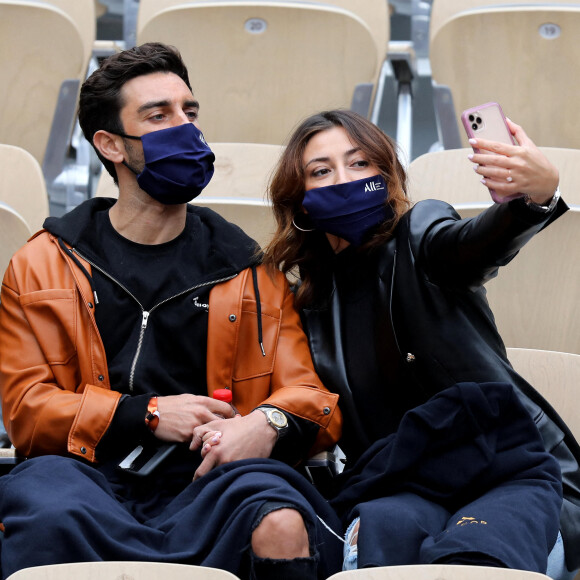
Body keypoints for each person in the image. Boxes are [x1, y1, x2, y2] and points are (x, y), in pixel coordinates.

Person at [0, 43, 345, 580]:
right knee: (47, 512)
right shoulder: (42, 264)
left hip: (210, 477)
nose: (185, 128)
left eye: (191, 113)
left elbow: (310, 398)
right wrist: (150, 414)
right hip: (83, 474)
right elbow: (27, 411)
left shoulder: (250, 270)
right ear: (110, 144)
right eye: (158, 116)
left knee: (280, 518)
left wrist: (267, 421)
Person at [261, 109, 580, 576]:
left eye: (359, 163)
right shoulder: (298, 306)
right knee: (378, 548)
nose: (344, 180)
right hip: (399, 484)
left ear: (386, 175)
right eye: (321, 171)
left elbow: (472, 246)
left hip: (512, 470)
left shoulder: (420, 236)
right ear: (302, 201)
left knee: (475, 557)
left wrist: (534, 196)